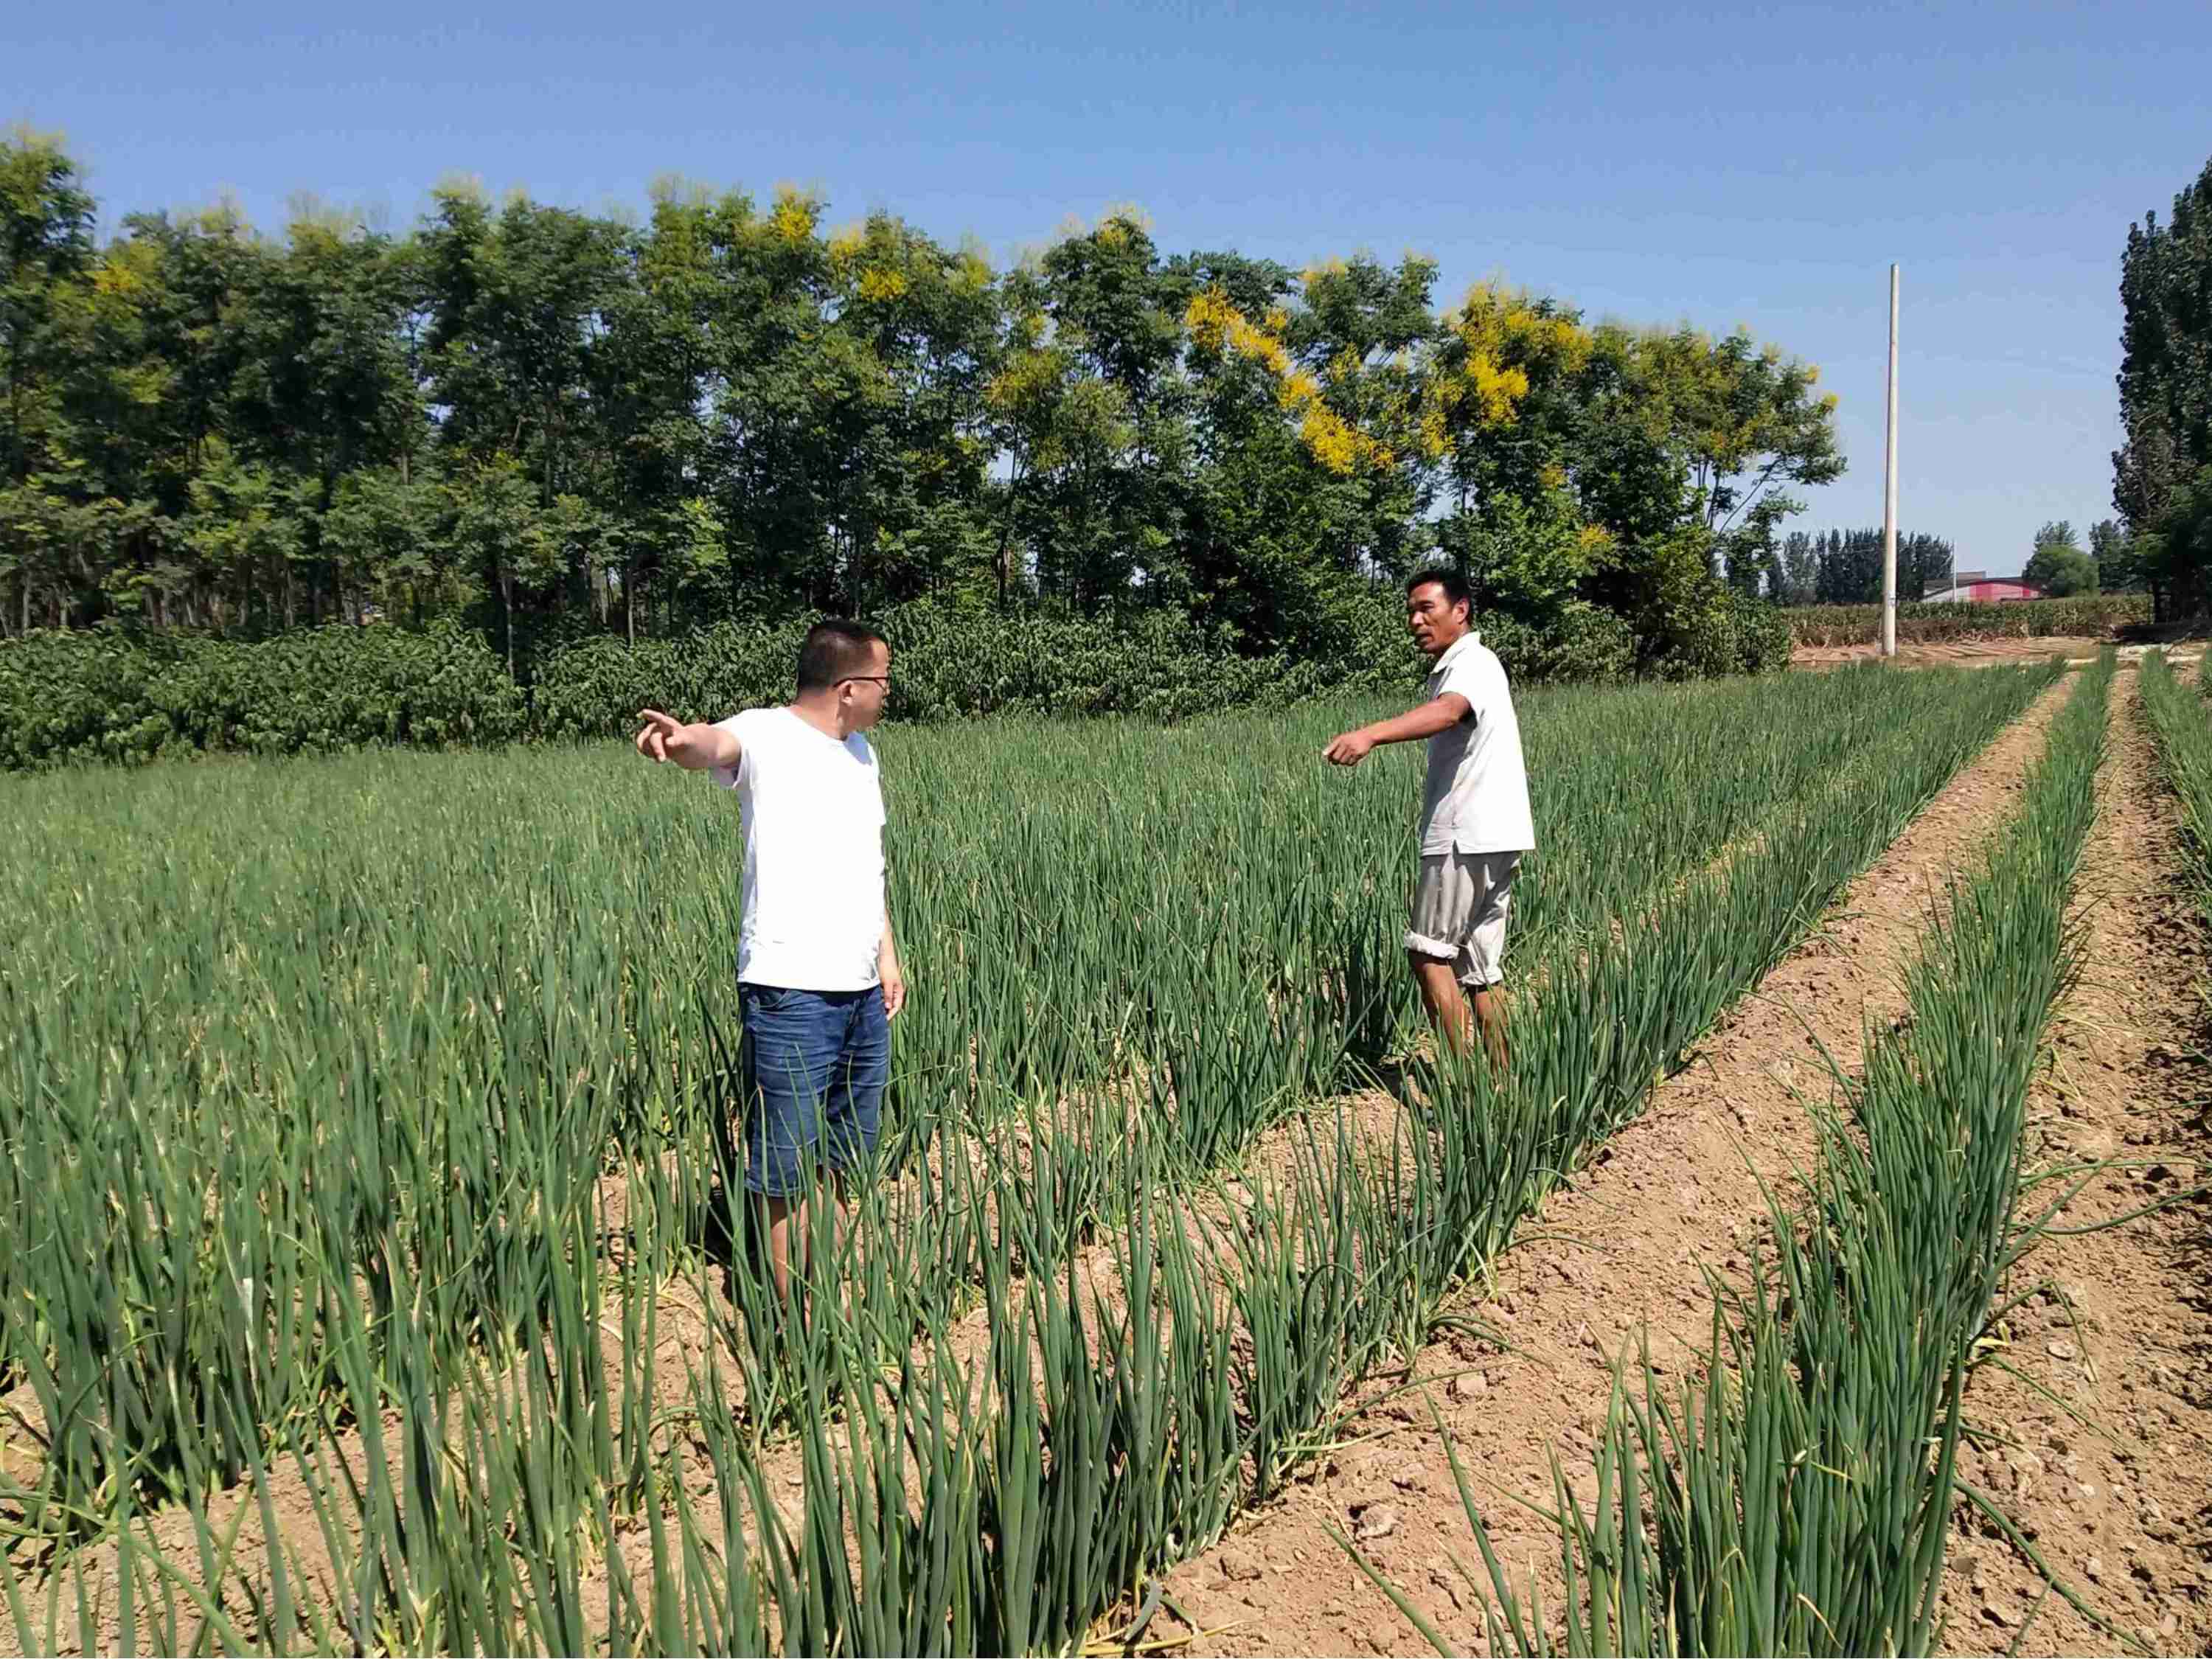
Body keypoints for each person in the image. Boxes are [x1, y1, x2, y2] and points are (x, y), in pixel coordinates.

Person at [633, 619, 905, 1296]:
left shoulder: (861, 752)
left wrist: (887, 955)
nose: (889, 691)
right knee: (785, 1166)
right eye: (883, 679)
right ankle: (792, 1318)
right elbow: (712, 744)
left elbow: (867, 864)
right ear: (849, 687)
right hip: (791, 991)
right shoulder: (765, 733)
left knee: (842, 1153)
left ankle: (829, 1288)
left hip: (861, 990)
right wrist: (680, 741)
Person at [1322, 568, 1533, 1065]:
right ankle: (1503, 1081)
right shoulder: (1476, 664)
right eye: (1411, 612)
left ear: (1460, 611)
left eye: (1426, 609)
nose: (1416, 621)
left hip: (1463, 834)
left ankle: (1463, 1084)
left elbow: (1448, 712)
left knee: (1428, 952)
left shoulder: (1472, 662)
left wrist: (1369, 734)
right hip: (1498, 834)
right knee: (1479, 970)